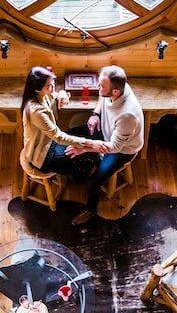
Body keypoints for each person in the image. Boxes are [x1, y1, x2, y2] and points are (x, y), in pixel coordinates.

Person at [67, 65, 144, 225]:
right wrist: (95, 114)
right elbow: (103, 98)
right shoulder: (115, 88)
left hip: (122, 150)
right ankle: (87, 163)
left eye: (101, 86)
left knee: (93, 182)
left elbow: (114, 147)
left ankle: (91, 209)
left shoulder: (127, 115)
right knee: (70, 134)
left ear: (115, 91)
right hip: (107, 132)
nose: (98, 87)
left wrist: (84, 149)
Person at [20, 66, 104, 183]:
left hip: (52, 141)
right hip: (44, 155)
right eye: (48, 86)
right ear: (37, 89)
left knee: (91, 131)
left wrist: (62, 93)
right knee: (88, 151)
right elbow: (58, 136)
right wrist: (89, 144)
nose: (52, 87)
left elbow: (55, 94)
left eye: (52, 83)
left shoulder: (44, 94)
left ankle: (83, 168)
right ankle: (82, 178)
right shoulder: (36, 111)